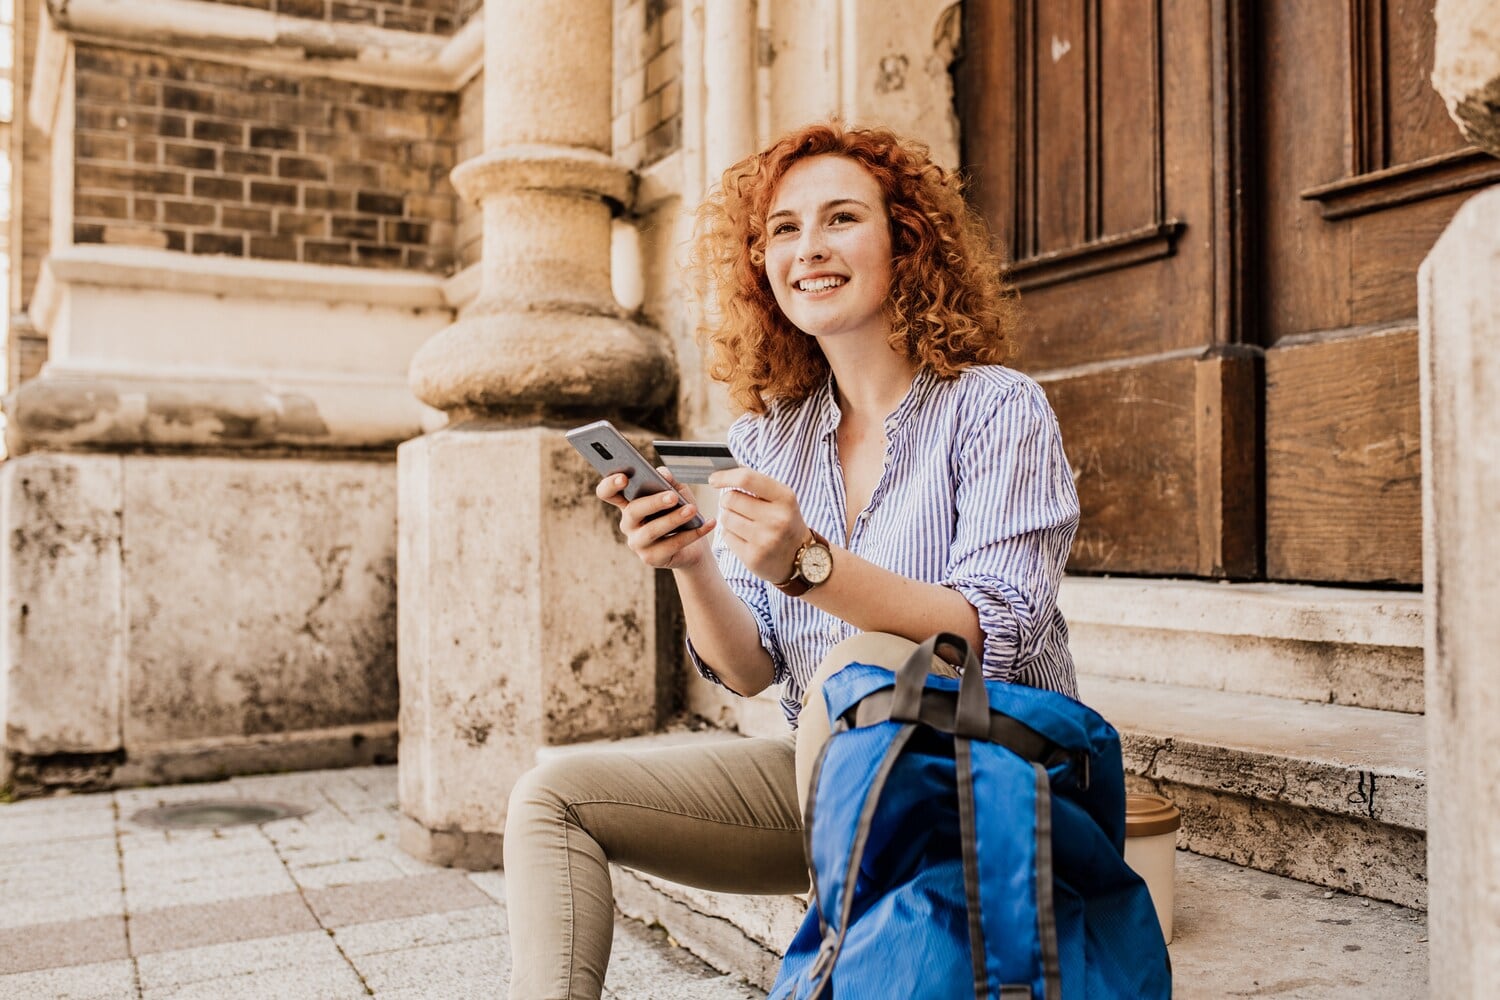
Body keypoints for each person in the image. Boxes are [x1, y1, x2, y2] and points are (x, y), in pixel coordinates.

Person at [503, 121, 1080, 1000]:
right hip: (830, 778)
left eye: (841, 218)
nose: (808, 247)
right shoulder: (770, 439)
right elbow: (747, 669)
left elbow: (986, 633)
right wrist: (692, 561)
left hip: (998, 781)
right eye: (782, 228)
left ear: (907, 242)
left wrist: (808, 563)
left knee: (867, 665)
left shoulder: (997, 409)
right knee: (551, 801)